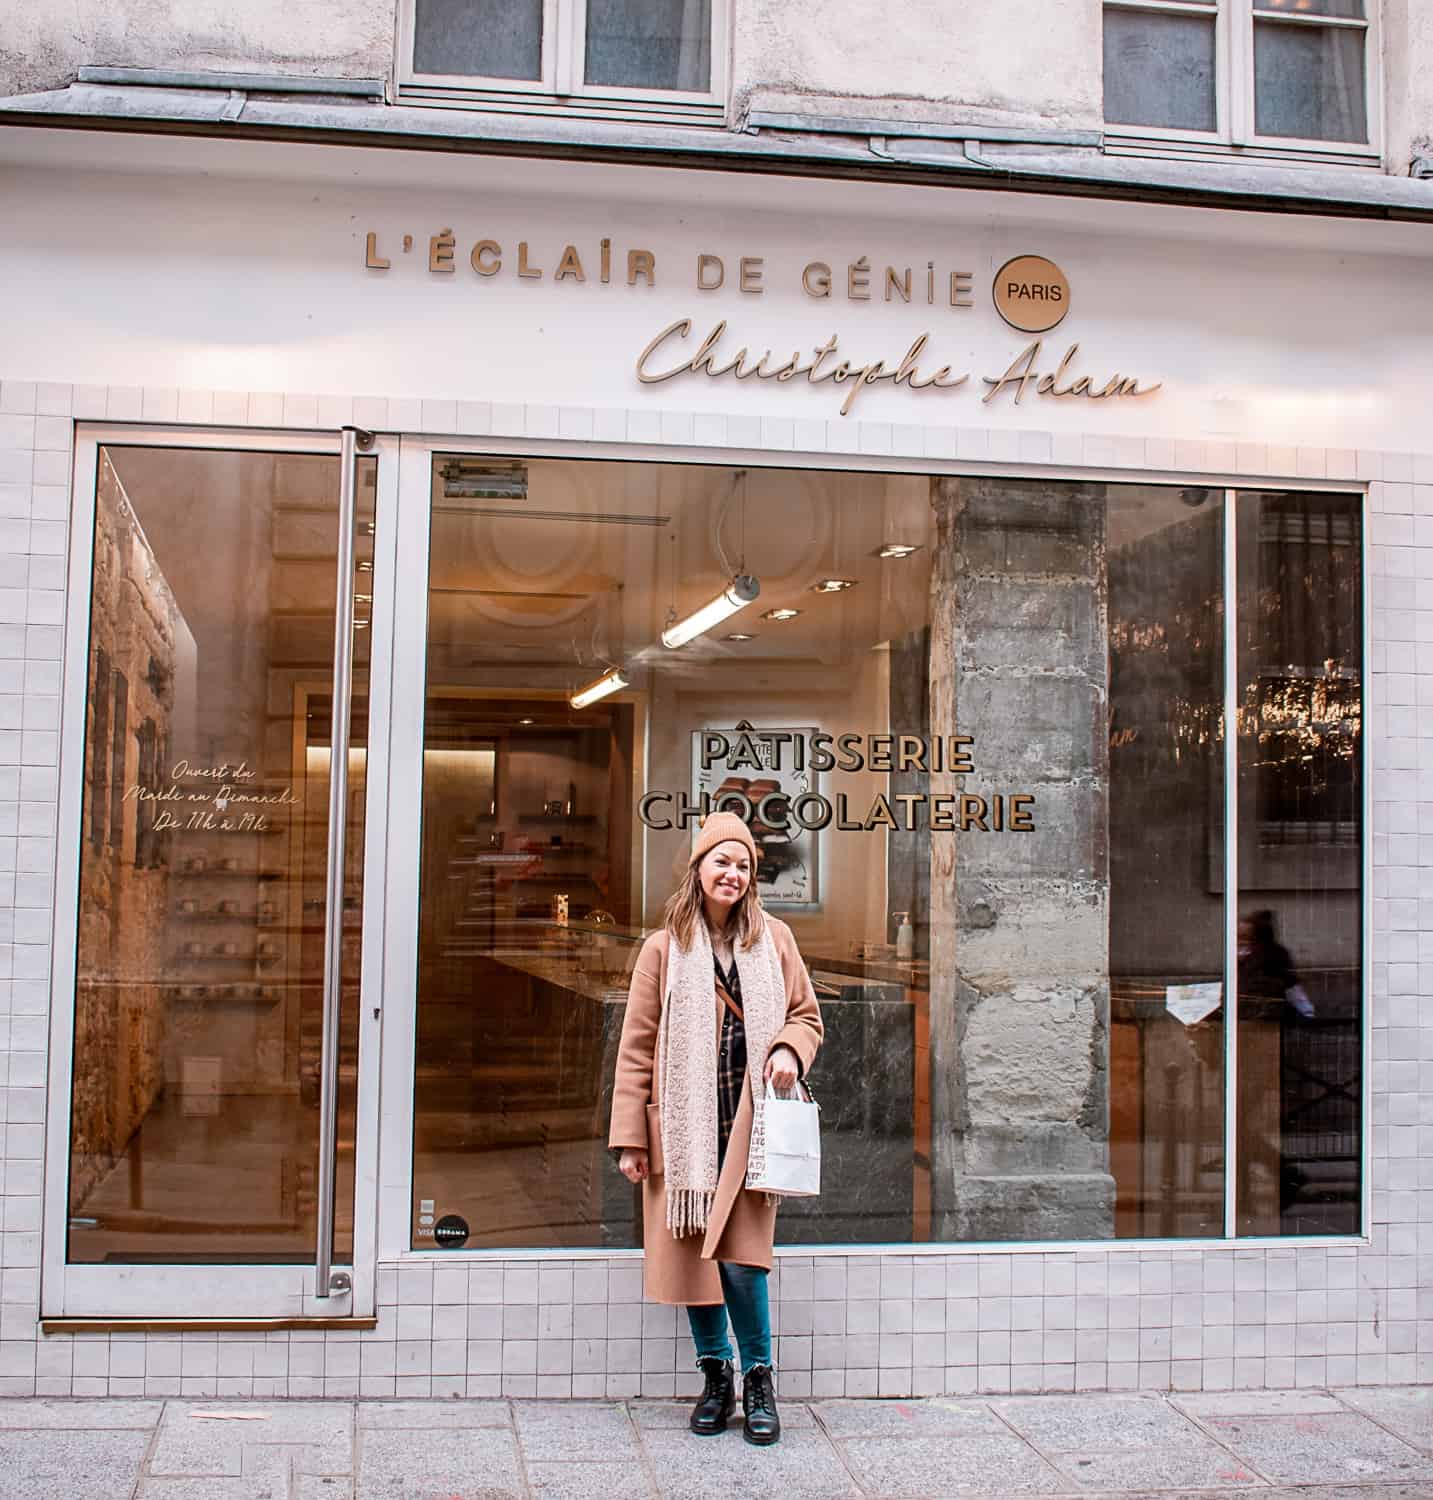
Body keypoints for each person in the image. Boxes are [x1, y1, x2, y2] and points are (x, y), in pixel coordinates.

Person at [608, 811, 823, 1445]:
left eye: (744, 866)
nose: (732, 874)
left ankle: (759, 1377)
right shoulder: (662, 948)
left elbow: (807, 1017)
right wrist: (630, 1138)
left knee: (741, 1264)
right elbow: (637, 1046)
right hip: (684, 1131)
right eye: (721, 862)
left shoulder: (775, 938)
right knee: (697, 1260)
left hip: (749, 1128)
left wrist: (788, 1048)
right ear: (699, 869)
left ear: (753, 877)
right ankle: (716, 1377)